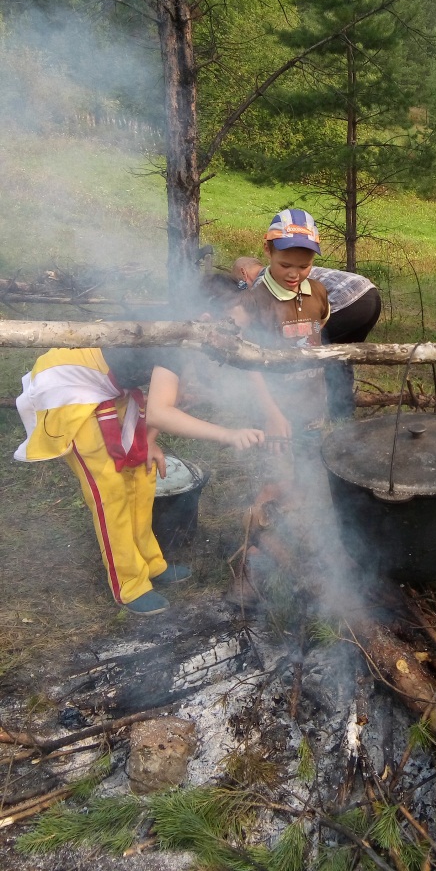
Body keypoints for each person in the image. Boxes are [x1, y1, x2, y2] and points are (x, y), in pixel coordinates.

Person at [14, 278, 265, 616]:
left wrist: (148, 442)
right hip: (71, 383)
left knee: (141, 475)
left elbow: (165, 398)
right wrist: (228, 434)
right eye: (232, 329)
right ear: (207, 319)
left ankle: (150, 563)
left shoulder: (188, 334)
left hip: (108, 386)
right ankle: (129, 585)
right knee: (110, 489)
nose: (233, 340)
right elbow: (162, 410)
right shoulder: (175, 340)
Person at [231, 252, 382, 418]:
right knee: (339, 354)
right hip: (370, 296)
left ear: (244, 273)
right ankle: (341, 413)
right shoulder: (285, 272)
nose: (242, 288)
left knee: (313, 350)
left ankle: (306, 409)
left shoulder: (266, 281)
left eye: (240, 284)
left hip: (347, 302)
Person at [233, 210, 332, 440]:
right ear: (268, 249)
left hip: (311, 409)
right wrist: (271, 413)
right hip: (272, 413)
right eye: (285, 264)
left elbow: (318, 329)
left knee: (311, 467)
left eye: (304, 266)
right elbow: (248, 363)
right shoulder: (253, 302)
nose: (294, 274)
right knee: (279, 474)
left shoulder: (318, 291)